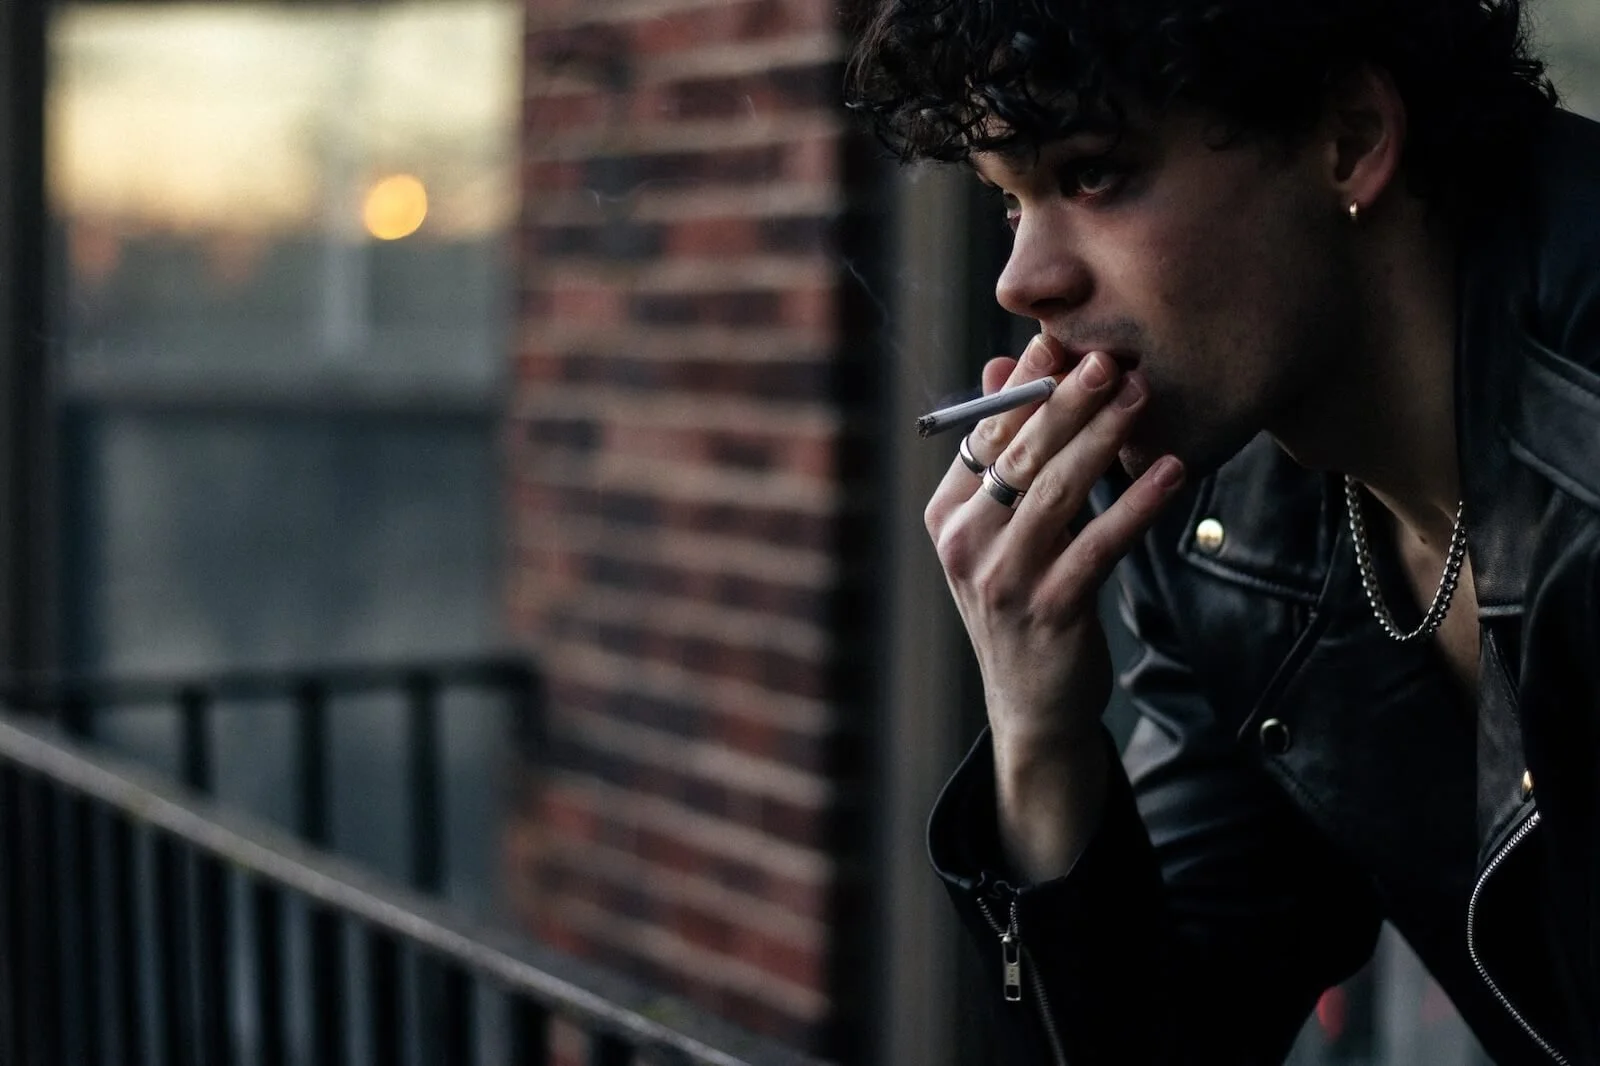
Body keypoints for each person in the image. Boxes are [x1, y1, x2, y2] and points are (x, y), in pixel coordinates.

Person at [846, 0, 1600, 1061]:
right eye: (1008, 204)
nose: (1020, 281)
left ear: (1347, 139)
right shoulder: (1220, 520)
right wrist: (1039, 736)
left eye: (1093, 173)